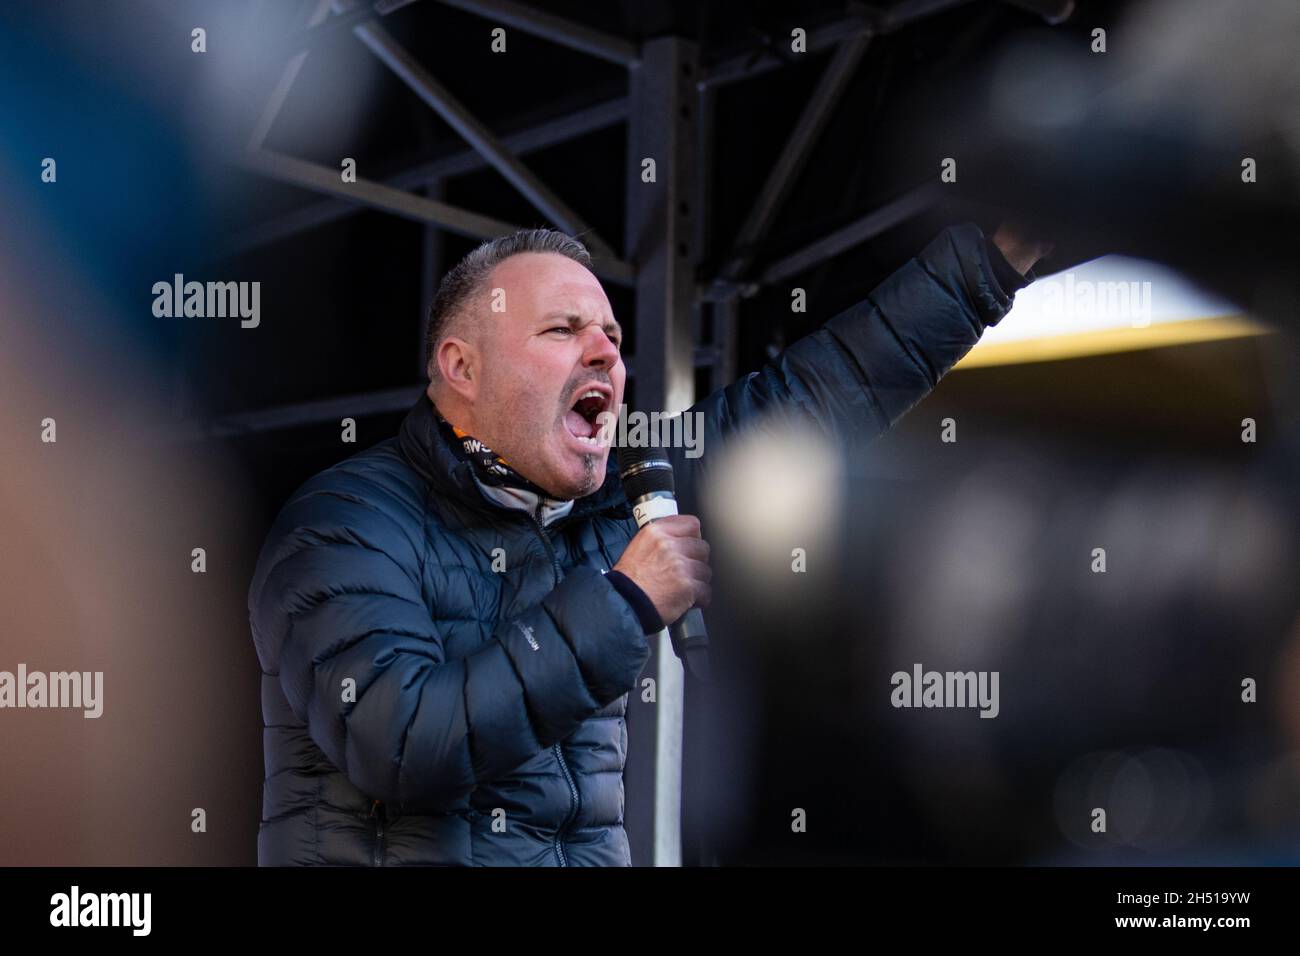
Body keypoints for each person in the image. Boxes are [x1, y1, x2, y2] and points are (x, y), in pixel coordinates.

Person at [247, 222, 1049, 866]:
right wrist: (622, 603)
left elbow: (811, 398)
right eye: (563, 330)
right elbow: (400, 740)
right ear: (461, 365)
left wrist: (989, 263)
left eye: (613, 337)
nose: (606, 354)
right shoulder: (345, 521)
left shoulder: (615, 496)